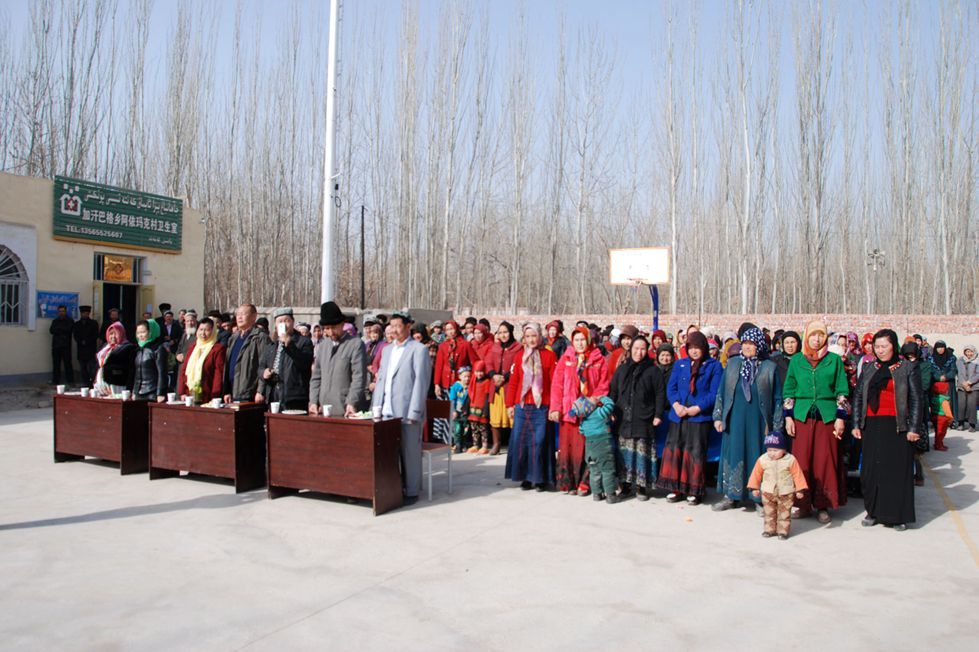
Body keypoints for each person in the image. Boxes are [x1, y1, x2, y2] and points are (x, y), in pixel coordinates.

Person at [852, 329, 922, 531]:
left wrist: (914, 427)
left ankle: (896, 515)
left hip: (898, 426)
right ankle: (873, 511)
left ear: (894, 346)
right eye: (877, 347)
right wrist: (856, 423)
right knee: (871, 471)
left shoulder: (907, 367)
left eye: (884, 346)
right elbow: (858, 396)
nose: (880, 350)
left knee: (895, 471)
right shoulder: (869, 367)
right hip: (871, 425)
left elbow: (916, 399)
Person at [783, 321, 849, 524]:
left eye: (821, 335)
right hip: (802, 417)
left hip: (826, 418)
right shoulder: (797, 360)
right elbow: (789, 389)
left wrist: (840, 417)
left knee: (824, 461)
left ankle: (822, 505)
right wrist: (788, 416)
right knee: (801, 461)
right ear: (806, 337)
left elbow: (842, 390)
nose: (817, 339)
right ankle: (802, 504)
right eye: (813, 335)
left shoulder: (834, 360)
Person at [712, 327, 783, 512]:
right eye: (745, 343)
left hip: (759, 422)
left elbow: (777, 399)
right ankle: (731, 495)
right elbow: (721, 392)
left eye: (752, 344)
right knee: (733, 453)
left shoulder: (769, 368)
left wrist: (776, 427)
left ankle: (758, 498)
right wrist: (718, 416)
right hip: (734, 419)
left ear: (759, 346)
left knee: (756, 454)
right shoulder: (733, 364)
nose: (747, 347)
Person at [370, 310, 431, 505]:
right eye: (392, 326)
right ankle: (394, 488)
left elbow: (421, 382)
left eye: (398, 326)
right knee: (389, 452)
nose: (394, 330)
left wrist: (415, 411)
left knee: (409, 451)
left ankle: (412, 491)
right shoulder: (387, 350)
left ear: (408, 326)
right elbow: (381, 379)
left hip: (406, 409)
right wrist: (376, 405)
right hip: (386, 408)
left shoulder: (418, 349)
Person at [657, 331, 722, 505]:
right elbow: (671, 388)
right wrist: (676, 405)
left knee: (695, 452)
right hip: (678, 415)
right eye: (691, 347)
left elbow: (714, 393)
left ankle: (694, 490)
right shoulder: (680, 364)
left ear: (704, 348)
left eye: (697, 347)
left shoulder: (714, 366)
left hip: (699, 417)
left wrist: (697, 408)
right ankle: (675, 488)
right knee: (675, 450)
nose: (694, 351)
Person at [550, 326, 610, 496]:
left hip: (589, 413)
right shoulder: (566, 358)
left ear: (589, 340)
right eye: (576, 340)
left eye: (583, 339)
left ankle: (585, 483)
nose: (580, 343)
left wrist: (593, 401)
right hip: (569, 413)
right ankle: (568, 483)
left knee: (588, 449)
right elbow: (557, 384)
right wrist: (555, 408)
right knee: (568, 449)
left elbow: (604, 385)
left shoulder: (598, 359)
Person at [610, 336, 666, 501]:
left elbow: (660, 394)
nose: (639, 352)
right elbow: (613, 391)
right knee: (624, 454)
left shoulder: (653, 370)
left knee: (642, 453)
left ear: (647, 350)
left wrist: (658, 415)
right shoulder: (622, 369)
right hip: (623, 417)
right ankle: (625, 486)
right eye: (636, 348)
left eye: (642, 349)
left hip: (644, 418)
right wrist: (610, 409)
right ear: (630, 349)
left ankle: (642, 487)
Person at [505, 322, 558, 491]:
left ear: (540, 336)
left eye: (534, 335)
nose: (531, 339)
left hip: (542, 406)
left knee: (540, 442)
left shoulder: (549, 356)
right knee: (521, 442)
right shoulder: (519, 356)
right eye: (528, 336)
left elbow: (554, 383)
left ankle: (540, 478)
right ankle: (525, 477)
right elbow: (514, 382)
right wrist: (509, 404)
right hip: (522, 406)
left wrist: (553, 406)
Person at [308, 302, 367, 417]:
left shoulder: (355, 344)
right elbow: (316, 377)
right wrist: (313, 401)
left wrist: (352, 402)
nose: (330, 332)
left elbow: (358, 377)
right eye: (327, 328)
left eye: (334, 327)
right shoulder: (323, 346)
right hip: (324, 410)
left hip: (346, 409)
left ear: (342, 324)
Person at [747, 431, 809, 540]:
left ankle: (783, 531)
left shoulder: (790, 460)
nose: (772, 453)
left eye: (775, 450)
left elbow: (797, 474)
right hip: (768, 492)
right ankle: (769, 530)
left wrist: (800, 489)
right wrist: (754, 487)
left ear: (784, 450)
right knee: (769, 512)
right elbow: (756, 474)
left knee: (784, 513)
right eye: (769, 450)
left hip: (786, 492)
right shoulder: (763, 459)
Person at [255, 308, 314, 411]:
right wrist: (264, 373)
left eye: (286, 321)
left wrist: (289, 344)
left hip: (294, 397)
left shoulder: (304, 342)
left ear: (293, 322)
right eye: (280, 322)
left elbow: (305, 363)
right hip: (274, 396)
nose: (283, 325)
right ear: (276, 325)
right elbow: (261, 367)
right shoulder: (271, 346)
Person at [570, 395, 619, 504]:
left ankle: (597, 494)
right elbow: (610, 405)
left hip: (590, 448)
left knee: (594, 471)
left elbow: (582, 431)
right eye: (589, 399)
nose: (592, 397)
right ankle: (610, 495)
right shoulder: (600, 412)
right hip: (603, 446)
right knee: (607, 470)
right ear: (590, 406)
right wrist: (602, 398)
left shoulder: (583, 422)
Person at [484, 320, 521, 455]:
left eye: (505, 332)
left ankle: (514, 444)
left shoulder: (518, 347)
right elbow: (488, 363)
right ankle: (496, 444)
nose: (503, 335)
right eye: (500, 333)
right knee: (495, 417)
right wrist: (493, 375)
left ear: (510, 332)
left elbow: (517, 365)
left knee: (512, 417)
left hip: (510, 386)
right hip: (495, 387)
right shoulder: (495, 347)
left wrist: (504, 377)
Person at [223, 304, 267, 404]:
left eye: (243, 314)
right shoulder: (233, 338)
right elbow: (228, 365)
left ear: (254, 317)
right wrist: (226, 390)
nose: (239, 317)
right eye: (238, 314)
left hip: (250, 394)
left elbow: (264, 365)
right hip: (233, 393)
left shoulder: (260, 337)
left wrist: (260, 391)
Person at [177, 317, 226, 404]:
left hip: (208, 395)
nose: (203, 333)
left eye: (207, 330)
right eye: (201, 329)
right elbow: (184, 370)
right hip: (189, 395)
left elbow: (218, 373)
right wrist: (182, 392)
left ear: (213, 331)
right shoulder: (193, 347)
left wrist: (215, 395)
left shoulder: (218, 349)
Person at [433, 320, 474, 399]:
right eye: (447, 330)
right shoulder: (443, 346)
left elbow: (474, 362)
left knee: (459, 405)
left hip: (461, 382)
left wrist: (469, 377)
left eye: (452, 329)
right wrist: (437, 384)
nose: (450, 332)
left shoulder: (466, 344)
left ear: (456, 329)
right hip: (446, 382)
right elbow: (439, 366)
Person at [131, 319, 168, 402]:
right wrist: (134, 391)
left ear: (151, 331)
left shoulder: (158, 349)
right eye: (138, 333)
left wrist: (160, 393)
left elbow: (162, 372)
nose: (140, 335)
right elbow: (136, 372)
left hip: (152, 392)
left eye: (143, 332)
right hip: (138, 393)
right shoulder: (138, 349)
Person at [467, 361, 493, 454]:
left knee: (483, 429)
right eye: (477, 371)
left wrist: (486, 410)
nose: (479, 374)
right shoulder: (473, 381)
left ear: (485, 371)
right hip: (473, 409)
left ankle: (484, 446)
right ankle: (476, 445)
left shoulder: (487, 382)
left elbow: (487, 397)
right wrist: (466, 408)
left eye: (481, 371)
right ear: (474, 372)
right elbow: (469, 395)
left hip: (482, 409)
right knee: (474, 428)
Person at [72, 305, 100, 387]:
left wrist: (87, 341)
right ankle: (85, 382)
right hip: (81, 349)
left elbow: (95, 335)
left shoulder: (93, 323)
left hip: (91, 348)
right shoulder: (77, 324)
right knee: (83, 367)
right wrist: (81, 341)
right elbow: (75, 335)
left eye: (87, 313)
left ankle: (91, 383)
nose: (85, 314)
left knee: (91, 368)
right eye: (83, 313)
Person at [448, 366, 472, 453]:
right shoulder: (456, 386)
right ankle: (457, 445)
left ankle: (464, 444)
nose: (467, 378)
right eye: (465, 376)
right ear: (460, 376)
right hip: (457, 412)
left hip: (466, 412)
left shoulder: (470, 386)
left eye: (469, 376)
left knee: (466, 429)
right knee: (457, 429)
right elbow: (452, 399)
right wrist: (453, 410)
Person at [955, 345, 978, 432]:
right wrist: (964, 383)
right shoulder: (960, 360)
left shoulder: (977, 360)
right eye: (967, 351)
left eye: (971, 351)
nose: (969, 354)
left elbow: (978, 374)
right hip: (962, 386)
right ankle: (961, 423)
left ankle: (972, 424)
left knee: (972, 405)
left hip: (974, 386)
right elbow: (959, 373)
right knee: (961, 405)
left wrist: (970, 382)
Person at [50, 305, 74, 385]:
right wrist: (61, 330)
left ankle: (70, 381)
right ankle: (55, 381)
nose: (61, 313)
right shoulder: (55, 321)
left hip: (66, 346)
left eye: (63, 311)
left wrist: (59, 329)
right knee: (56, 364)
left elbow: (69, 330)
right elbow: (51, 330)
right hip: (56, 346)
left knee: (68, 364)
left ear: (65, 312)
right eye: (60, 311)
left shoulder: (69, 321)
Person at [930, 381, 953, 451]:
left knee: (937, 432)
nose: (947, 391)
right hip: (943, 418)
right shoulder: (944, 401)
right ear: (943, 391)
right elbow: (947, 412)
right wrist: (950, 419)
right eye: (946, 390)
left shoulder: (934, 398)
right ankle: (938, 445)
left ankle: (938, 443)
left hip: (935, 417)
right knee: (942, 432)